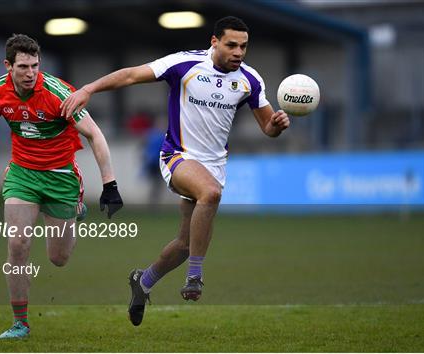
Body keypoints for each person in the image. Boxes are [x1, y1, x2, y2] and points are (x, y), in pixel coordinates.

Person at [61, 16, 290, 326]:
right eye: (231, 45)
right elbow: (130, 76)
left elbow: (267, 127)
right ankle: (195, 277)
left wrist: (275, 126)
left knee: (184, 244)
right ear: (214, 42)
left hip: (213, 165)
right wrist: (89, 88)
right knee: (210, 193)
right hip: (177, 157)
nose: (239, 52)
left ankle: (143, 282)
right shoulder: (184, 64)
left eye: (244, 46)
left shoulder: (250, 80)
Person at [0, 34, 123, 339]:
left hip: (60, 178)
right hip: (21, 175)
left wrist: (110, 184)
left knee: (58, 258)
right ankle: (20, 323)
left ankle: (75, 211)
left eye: (35, 66)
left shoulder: (57, 93)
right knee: (17, 245)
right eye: (23, 67)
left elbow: (94, 134)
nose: (30, 73)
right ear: (8, 65)